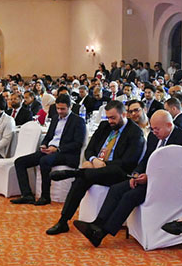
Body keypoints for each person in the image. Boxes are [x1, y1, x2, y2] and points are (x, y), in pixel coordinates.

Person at [73, 110, 182, 247]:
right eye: (152, 128)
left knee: (129, 196)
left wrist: (149, 178)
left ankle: (101, 233)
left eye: (157, 129)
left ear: (168, 125)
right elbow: (146, 160)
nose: (154, 132)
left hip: (166, 185)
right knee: (116, 189)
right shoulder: (153, 137)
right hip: (147, 179)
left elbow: (179, 171)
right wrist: (136, 174)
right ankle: (96, 225)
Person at [46, 101, 146, 235]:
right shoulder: (104, 126)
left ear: (124, 114)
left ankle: (74, 173)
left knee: (88, 174)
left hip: (118, 173)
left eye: (113, 118)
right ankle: (63, 221)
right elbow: (89, 150)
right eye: (108, 117)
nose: (110, 121)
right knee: (81, 180)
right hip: (96, 168)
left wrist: (103, 165)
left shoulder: (135, 132)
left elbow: (129, 162)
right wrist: (94, 160)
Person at [11, 94, 85, 205]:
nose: (59, 111)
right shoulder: (55, 118)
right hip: (49, 150)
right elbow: (48, 136)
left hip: (66, 153)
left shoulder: (78, 121)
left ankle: (45, 196)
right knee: (20, 162)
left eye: (63, 109)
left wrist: (57, 149)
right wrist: (44, 145)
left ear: (70, 107)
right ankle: (27, 195)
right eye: (58, 108)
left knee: (44, 161)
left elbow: (77, 143)